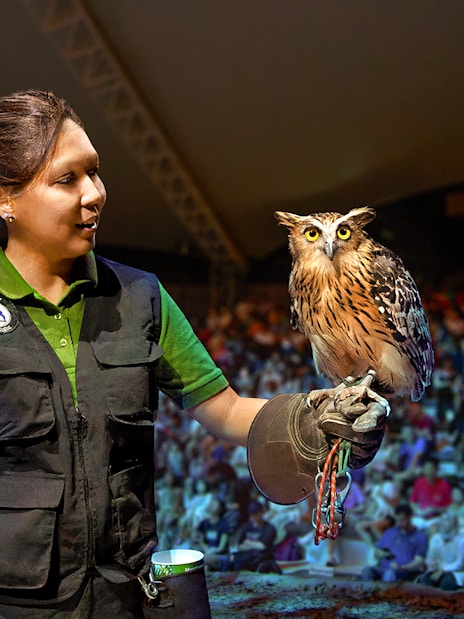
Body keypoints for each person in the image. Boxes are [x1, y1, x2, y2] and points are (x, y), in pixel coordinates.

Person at [0, 89, 387, 617]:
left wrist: (318, 417)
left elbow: (225, 411)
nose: (94, 193)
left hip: (126, 600)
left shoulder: (141, 296)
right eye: (67, 179)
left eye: (95, 172)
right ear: (6, 198)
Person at [360, 503, 428, 584]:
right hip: (382, 568)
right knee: (367, 570)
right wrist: (381, 554)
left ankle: (384, 595)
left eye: (402, 520)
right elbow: (376, 553)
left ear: (410, 517)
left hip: (402, 571)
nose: (399, 523)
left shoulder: (420, 536)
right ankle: (368, 593)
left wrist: (403, 567)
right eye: (397, 520)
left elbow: (419, 561)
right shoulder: (390, 532)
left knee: (389, 573)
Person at [416, 510, 464, 591]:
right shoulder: (436, 538)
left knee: (446, 583)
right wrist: (432, 564)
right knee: (426, 582)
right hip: (438, 570)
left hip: (456, 572)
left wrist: (443, 570)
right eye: (441, 520)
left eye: (447, 520)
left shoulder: (461, 539)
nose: (443, 522)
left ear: (454, 522)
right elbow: (430, 557)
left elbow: (460, 563)